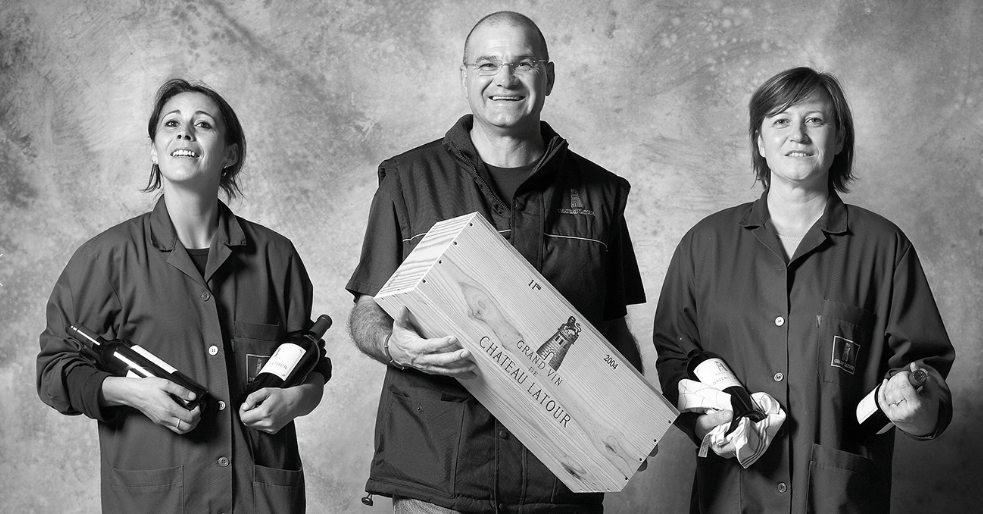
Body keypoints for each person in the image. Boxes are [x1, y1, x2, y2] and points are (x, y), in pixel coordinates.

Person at [347, 11, 646, 514]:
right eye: (487, 64)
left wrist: (632, 422)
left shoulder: (600, 194)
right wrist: (394, 347)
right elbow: (367, 311)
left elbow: (611, 328)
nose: (503, 79)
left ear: (547, 76)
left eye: (522, 63)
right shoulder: (407, 179)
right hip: (436, 478)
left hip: (559, 483)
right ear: (465, 75)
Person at [653, 67, 954, 513]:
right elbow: (675, 356)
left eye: (815, 120)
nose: (798, 134)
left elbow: (923, 369)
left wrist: (920, 406)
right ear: (759, 140)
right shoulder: (704, 244)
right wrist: (703, 426)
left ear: (839, 139)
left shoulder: (883, 248)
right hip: (731, 498)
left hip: (840, 501)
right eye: (780, 120)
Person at [36, 79, 330, 514]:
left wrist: (296, 400)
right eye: (171, 123)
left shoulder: (276, 257)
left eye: (203, 124)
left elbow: (312, 365)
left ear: (230, 154)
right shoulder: (106, 259)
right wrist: (129, 393)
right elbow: (54, 371)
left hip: (260, 500)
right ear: (155, 149)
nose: (185, 132)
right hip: (156, 502)